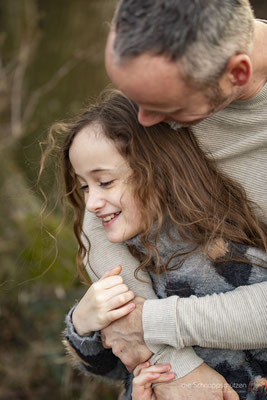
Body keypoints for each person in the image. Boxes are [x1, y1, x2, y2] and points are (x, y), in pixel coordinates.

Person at [79, 1, 267, 398]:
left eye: (165, 107)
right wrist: (176, 367)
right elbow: (101, 214)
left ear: (237, 73)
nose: (142, 119)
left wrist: (151, 323)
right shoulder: (166, 78)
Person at [42, 90, 267, 399]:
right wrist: (84, 326)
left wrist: (150, 331)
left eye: (104, 182)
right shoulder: (126, 251)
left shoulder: (225, 253)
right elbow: (116, 366)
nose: (91, 203)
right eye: (83, 186)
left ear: (156, 168)